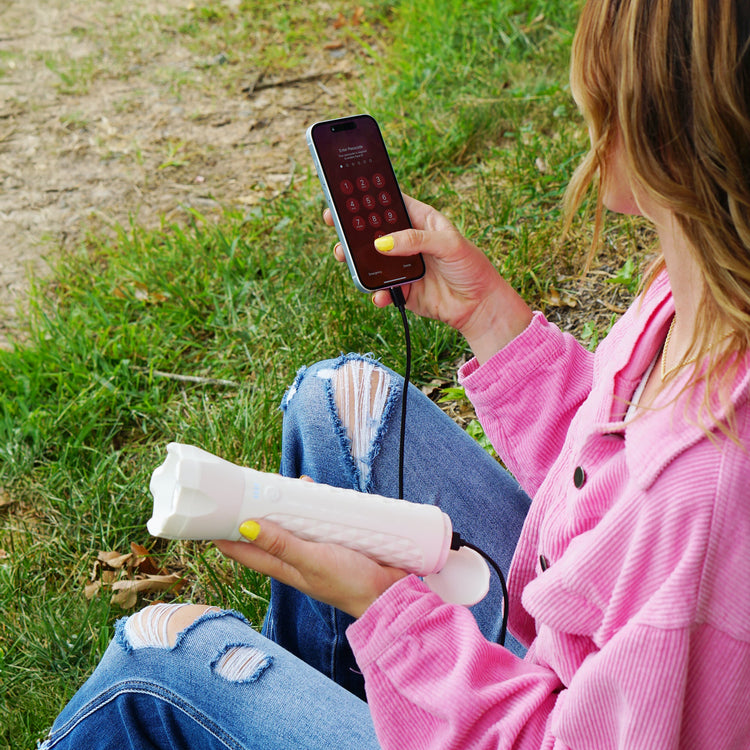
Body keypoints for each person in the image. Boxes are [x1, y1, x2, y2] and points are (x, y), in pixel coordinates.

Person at [40, 0, 750, 747]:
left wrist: (386, 609)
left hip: (549, 721)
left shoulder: (710, 488)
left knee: (159, 660)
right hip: (566, 642)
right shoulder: (696, 286)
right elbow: (607, 481)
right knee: (337, 403)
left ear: (660, 127)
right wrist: (488, 315)